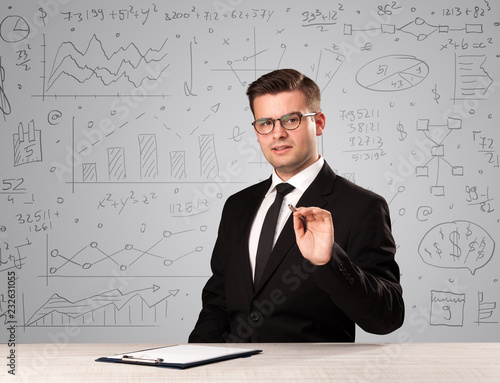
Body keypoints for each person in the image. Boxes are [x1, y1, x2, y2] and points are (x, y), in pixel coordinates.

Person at [189, 69, 404, 343]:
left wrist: (329, 260)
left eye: (291, 120)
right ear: (257, 131)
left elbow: (388, 318)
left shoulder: (363, 207)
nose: (277, 133)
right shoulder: (237, 206)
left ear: (320, 123)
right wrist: (193, 362)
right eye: (265, 123)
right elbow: (218, 302)